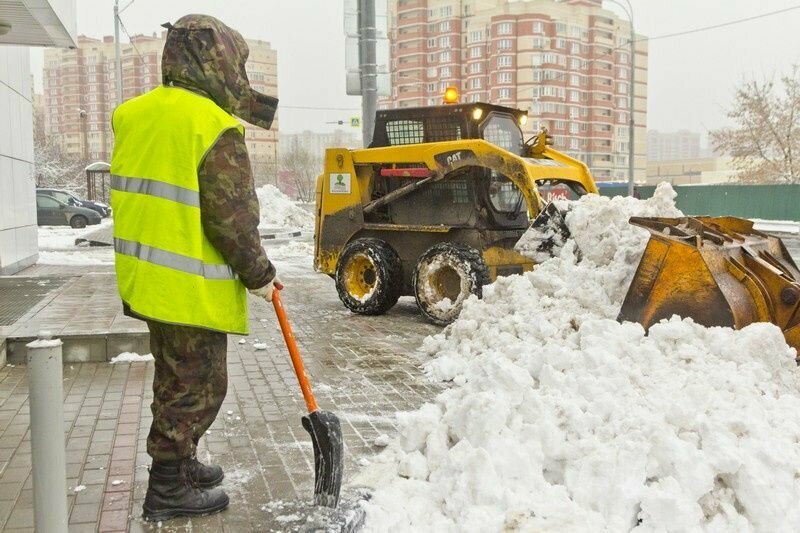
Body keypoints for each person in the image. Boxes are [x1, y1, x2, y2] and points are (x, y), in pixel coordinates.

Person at [109, 14, 281, 521]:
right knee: (199, 386)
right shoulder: (212, 125)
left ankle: (181, 464)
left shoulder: (134, 114)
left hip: (147, 279)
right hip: (188, 288)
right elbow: (232, 219)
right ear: (220, 62)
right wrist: (262, 274)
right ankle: (167, 488)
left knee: (174, 378)